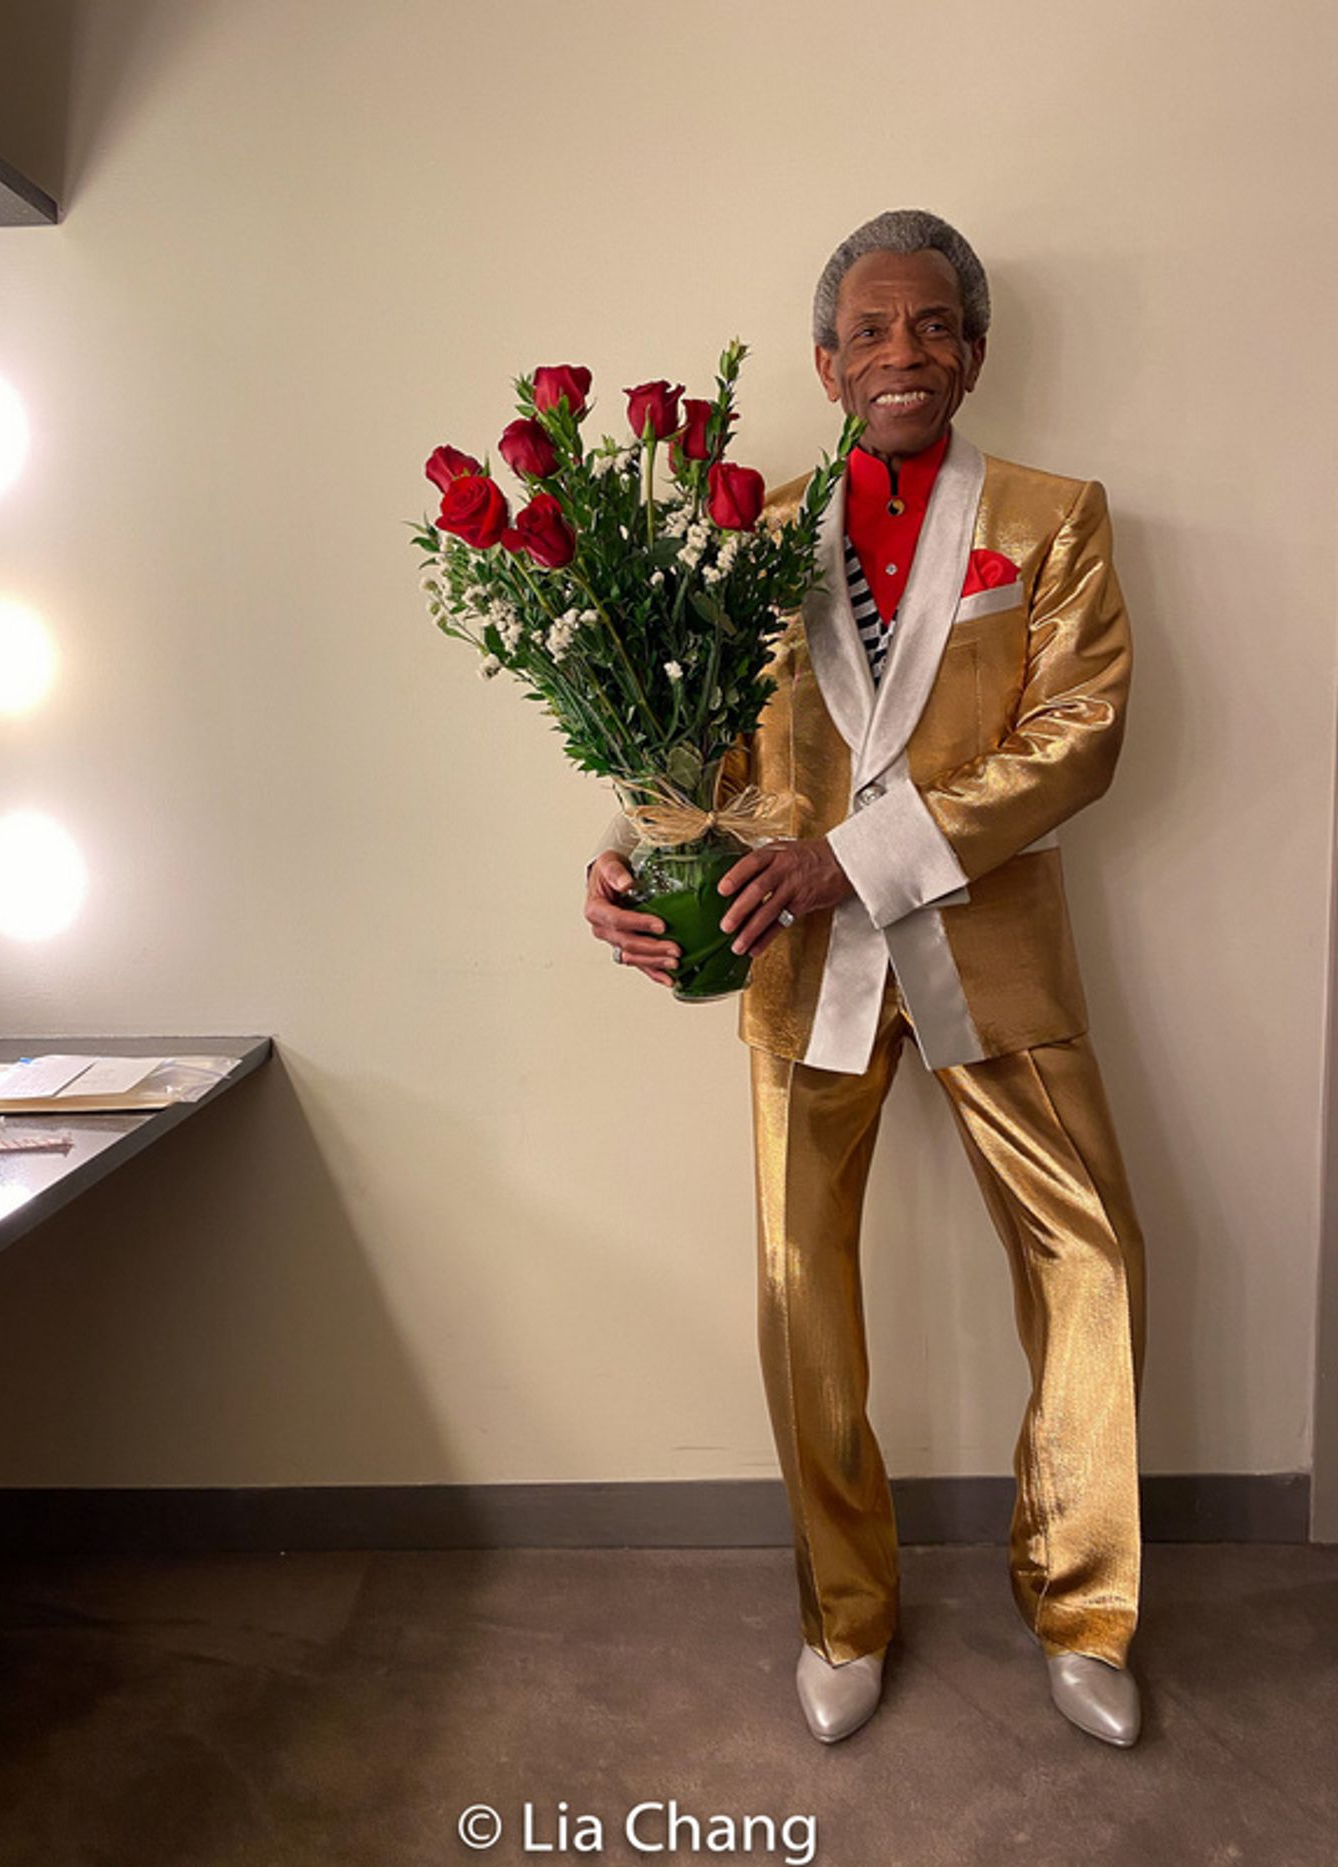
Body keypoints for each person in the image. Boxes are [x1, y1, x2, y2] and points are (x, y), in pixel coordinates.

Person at [583, 209, 1147, 1750]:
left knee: (1094, 1261)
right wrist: (620, 857)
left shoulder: (1056, 518)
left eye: (935, 326)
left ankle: (1085, 1610)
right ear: (828, 364)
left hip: (990, 951)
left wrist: (859, 857)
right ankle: (844, 1613)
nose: (906, 352)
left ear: (975, 352)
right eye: (874, 331)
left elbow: (1078, 737)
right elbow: (691, 744)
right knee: (800, 1292)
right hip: (793, 957)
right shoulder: (745, 535)